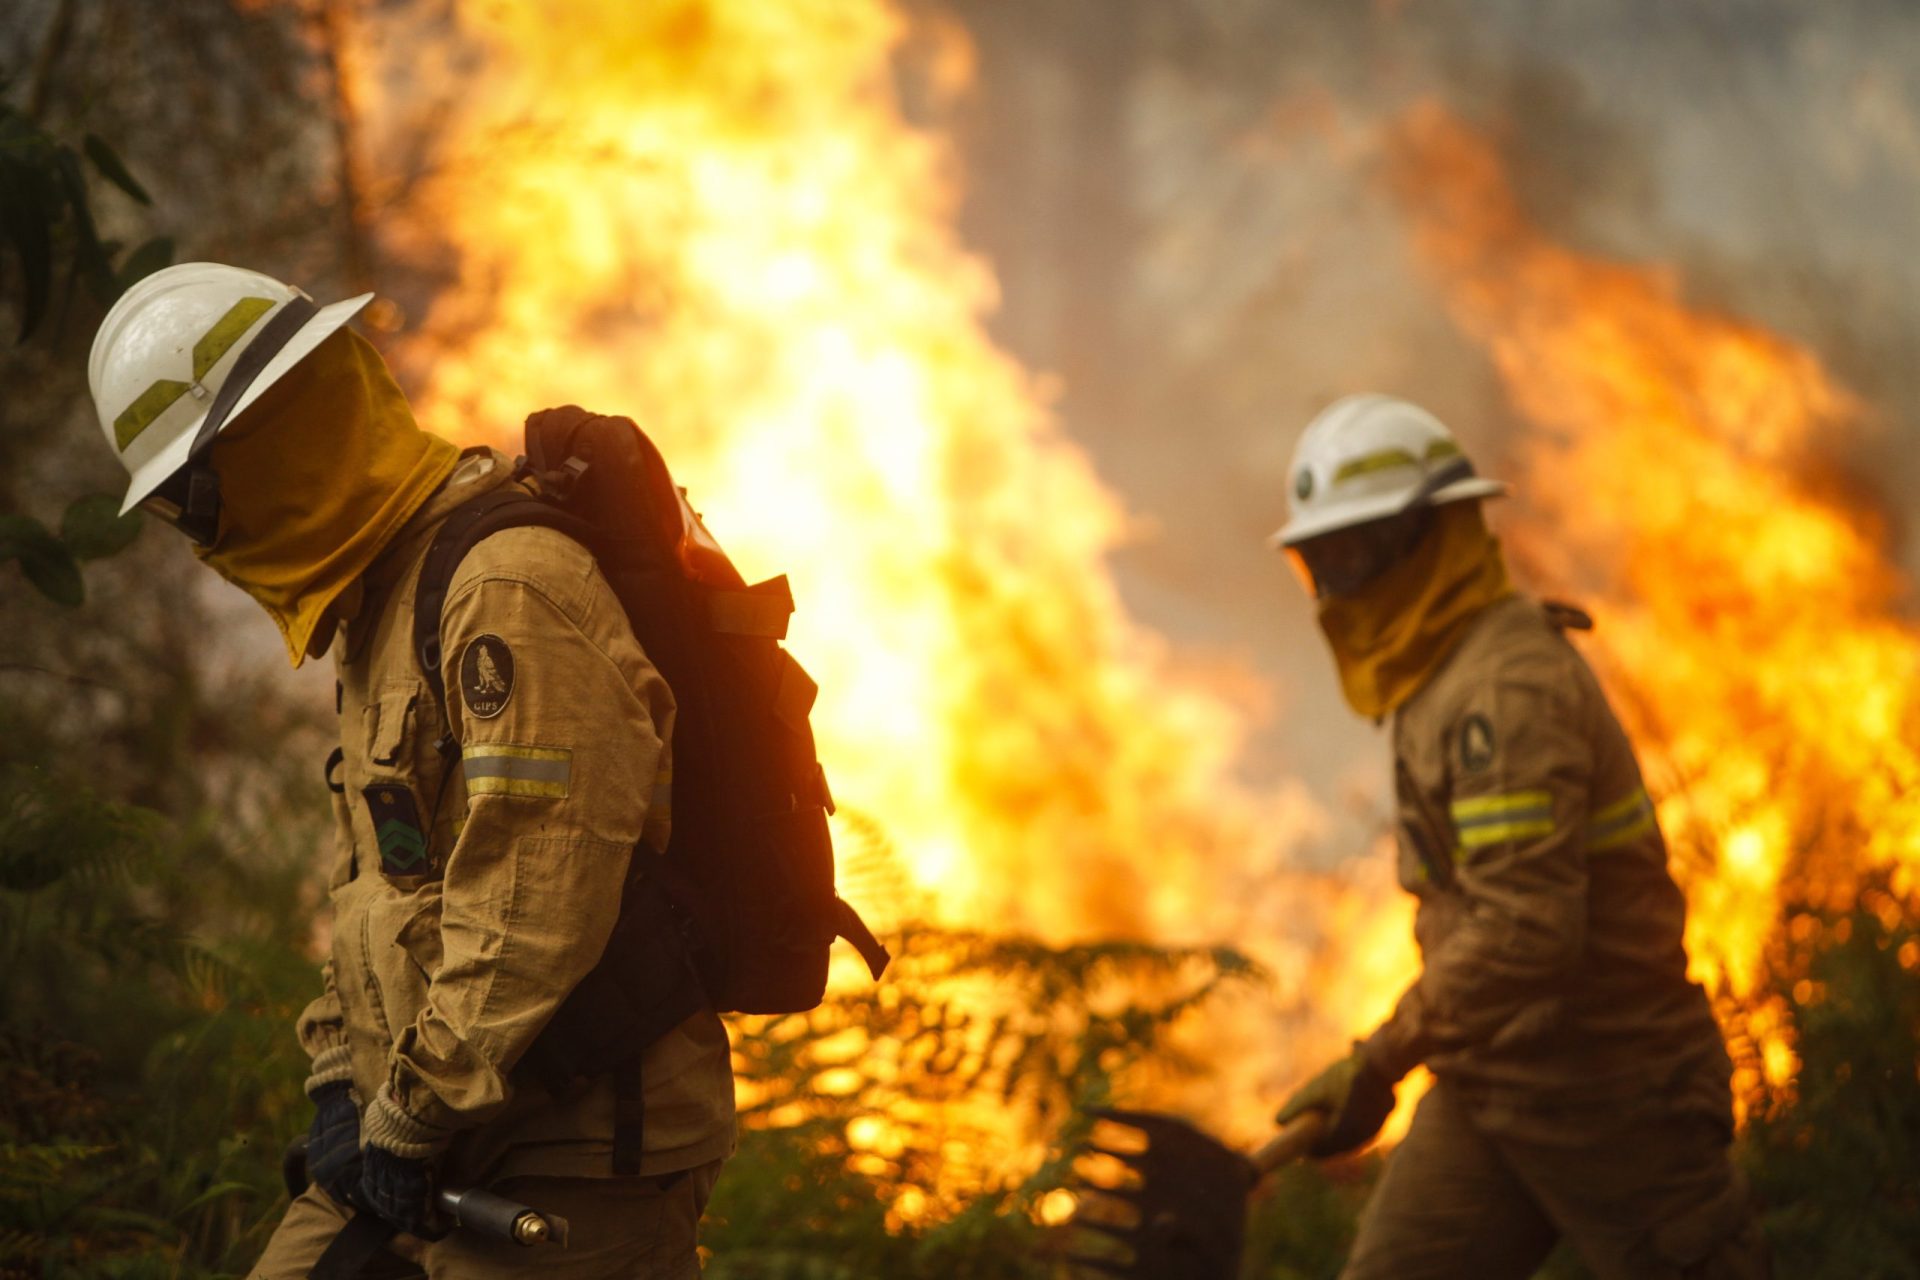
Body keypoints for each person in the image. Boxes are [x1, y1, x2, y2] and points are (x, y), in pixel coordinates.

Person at [88, 262, 735, 1278]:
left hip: (576, 1153)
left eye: (191, 501)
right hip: (440, 1125)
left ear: (268, 448)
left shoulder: (505, 587)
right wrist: (344, 1080)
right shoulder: (383, 602)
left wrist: (407, 1111)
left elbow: (535, 894)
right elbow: (378, 883)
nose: (201, 540)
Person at [1266, 394, 1769, 1279]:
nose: (1342, 585)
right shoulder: (1442, 677)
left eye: (1357, 552)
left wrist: (1376, 1064)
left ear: (1429, 537)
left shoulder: (1504, 690)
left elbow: (1527, 930)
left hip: (1613, 1091)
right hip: (1494, 1085)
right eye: (1324, 560)